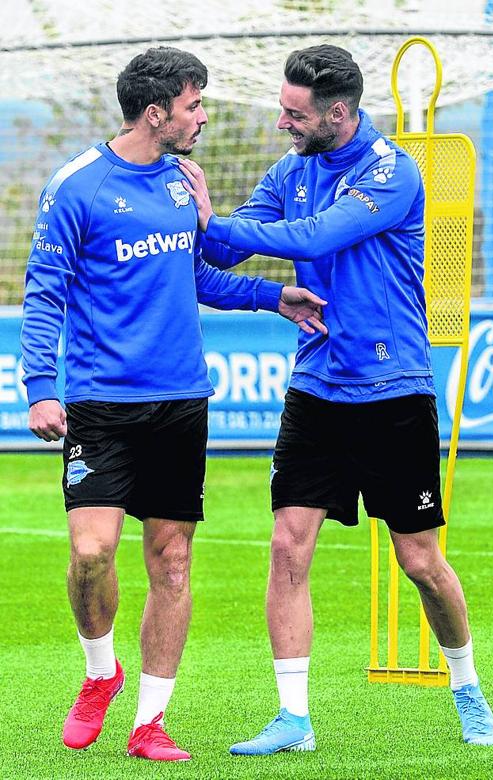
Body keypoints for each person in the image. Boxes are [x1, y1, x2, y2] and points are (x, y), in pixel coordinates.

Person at [179, 43, 493, 755]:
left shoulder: (392, 170)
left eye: (295, 114)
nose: (282, 124)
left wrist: (216, 224)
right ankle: (294, 719)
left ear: (338, 113)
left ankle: (468, 687)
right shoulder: (290, 171)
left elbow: (314, 235)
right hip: (315, 389)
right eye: (283, 109)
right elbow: (222, 256)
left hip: (393, 390)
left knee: (420, 563)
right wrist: (172, 220)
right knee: (287, 547)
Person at [19, 46, 327, 763]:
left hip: (182, 402)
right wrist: (41, 389)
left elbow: (197, 276)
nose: (203, 116)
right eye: (194, 104)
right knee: (91, 552)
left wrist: (269, 296)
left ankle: (150, 722)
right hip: (100, 402)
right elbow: (44, 294)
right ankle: (101, 674)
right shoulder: (76, 187)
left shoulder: (185, 182)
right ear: (156, 113)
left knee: (172, 560)